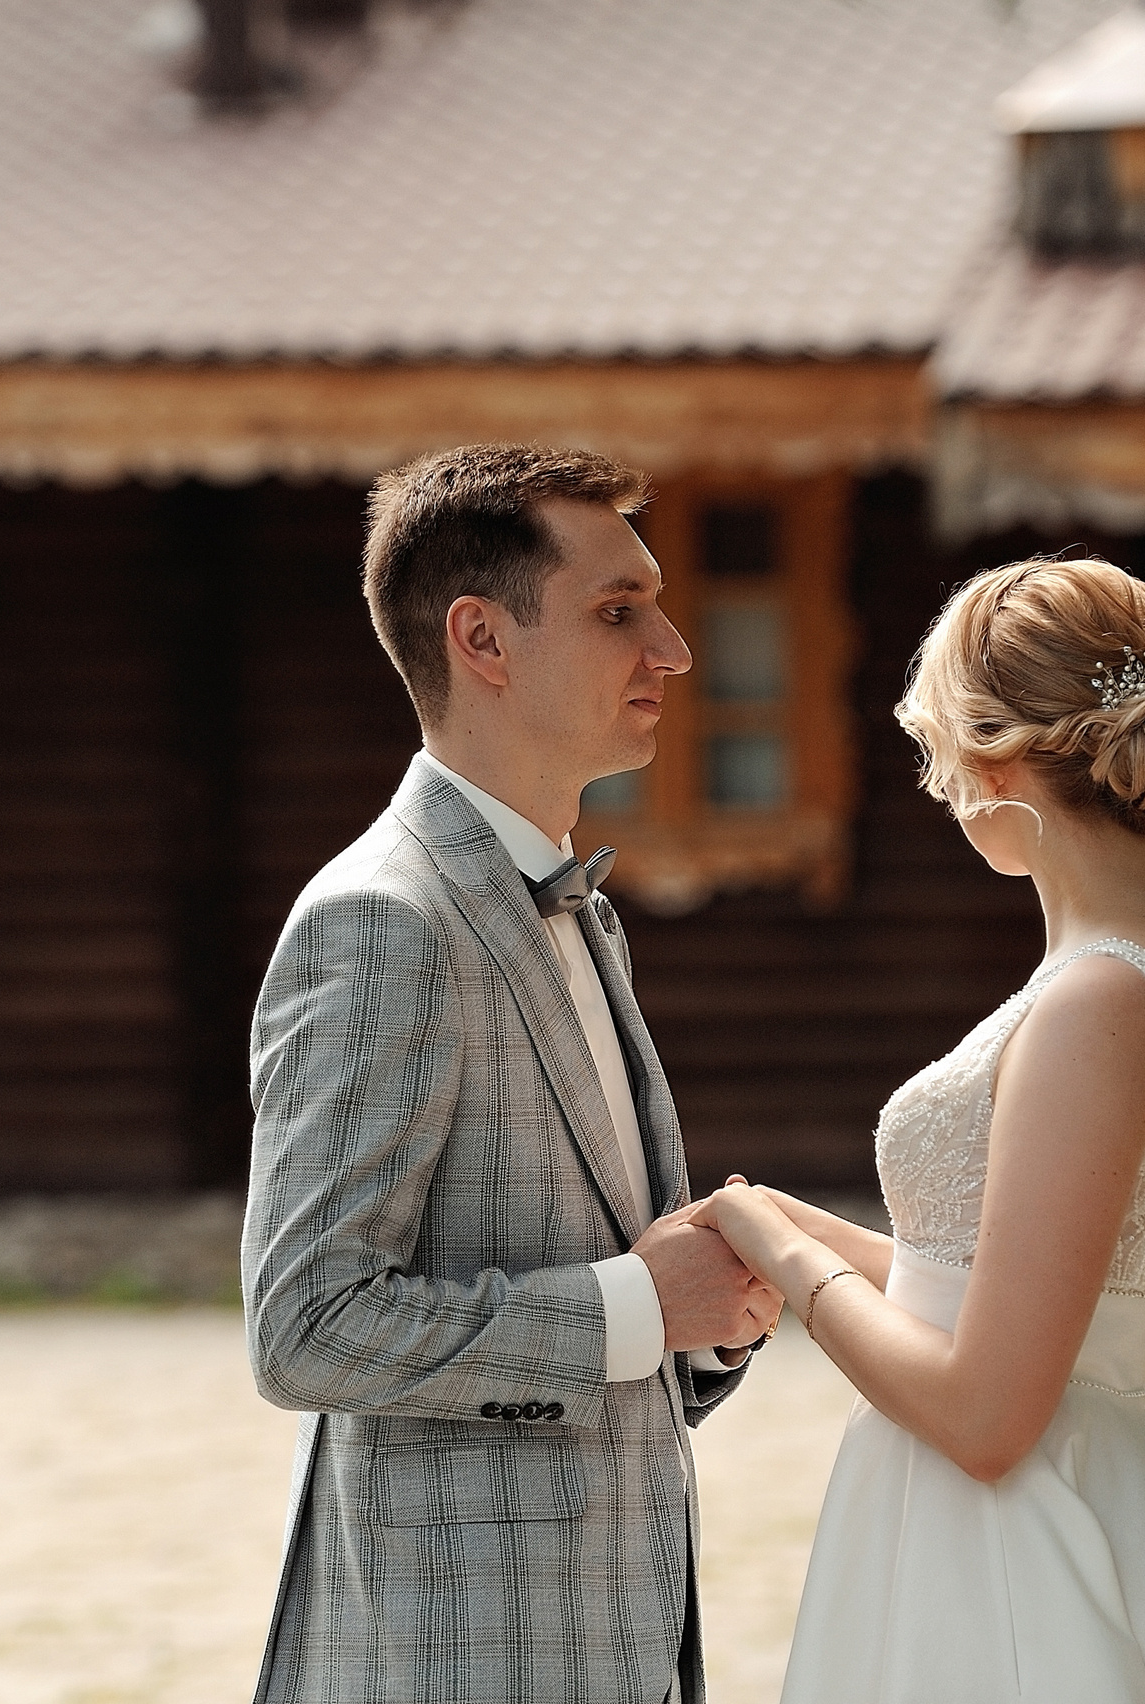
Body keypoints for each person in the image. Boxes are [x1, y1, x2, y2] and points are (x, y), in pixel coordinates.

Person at [693, 557, 1145, 1703]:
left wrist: (783, 1261)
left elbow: (986, 1417)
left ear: (990, 758)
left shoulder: (1095, 998)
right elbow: (1141, 1360)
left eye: (936, 752)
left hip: (993, 1552)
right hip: (1118, 1514)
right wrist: (812, 1229)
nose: (938, 788)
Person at [241, 444, 781, 1704]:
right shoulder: (382, 921)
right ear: (482, 639)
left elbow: (593, 1281)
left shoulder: (576, 908)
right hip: (451, 1656)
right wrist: (640, 1306)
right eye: (617, 612)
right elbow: (306, 1329)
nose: (675, 649)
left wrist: (702, 1324)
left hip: (607, 1639)